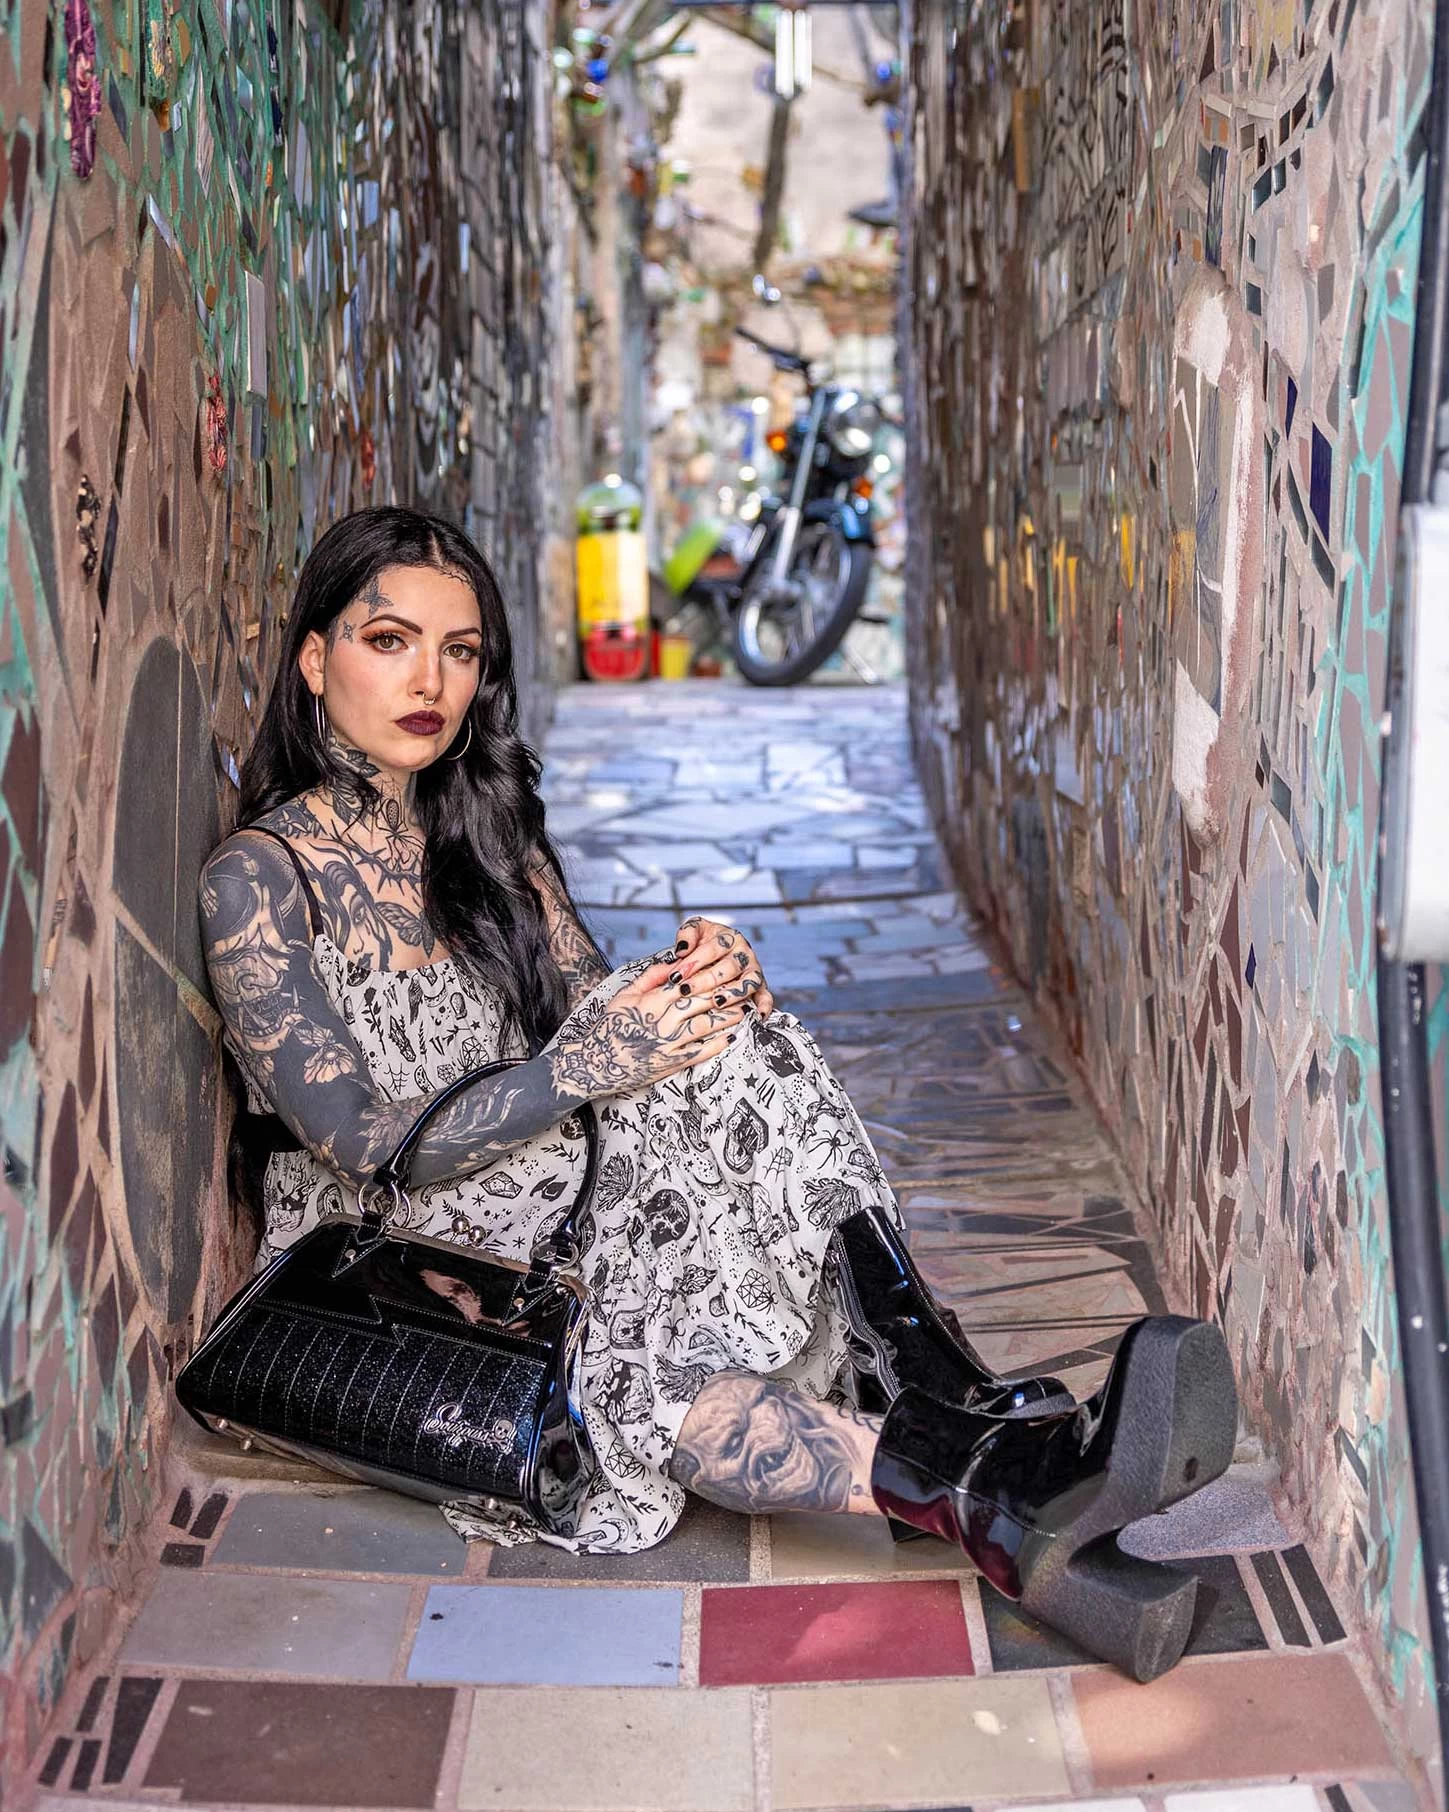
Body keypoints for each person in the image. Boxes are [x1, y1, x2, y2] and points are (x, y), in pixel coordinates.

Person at [198, 505, 1238, 1682]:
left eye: (461, 650)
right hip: (405, 1249)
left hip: (545, 1175)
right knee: (635, 1361)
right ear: (314, 658)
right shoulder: (259, 880)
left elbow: (591, 1011)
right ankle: (996, 1467)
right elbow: (358, 1143)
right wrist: (585, 1065)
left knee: (734, 1044)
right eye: (390, 641)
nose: (429, 681)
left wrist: (695, 989)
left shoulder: (485, 834)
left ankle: (970, 1446)